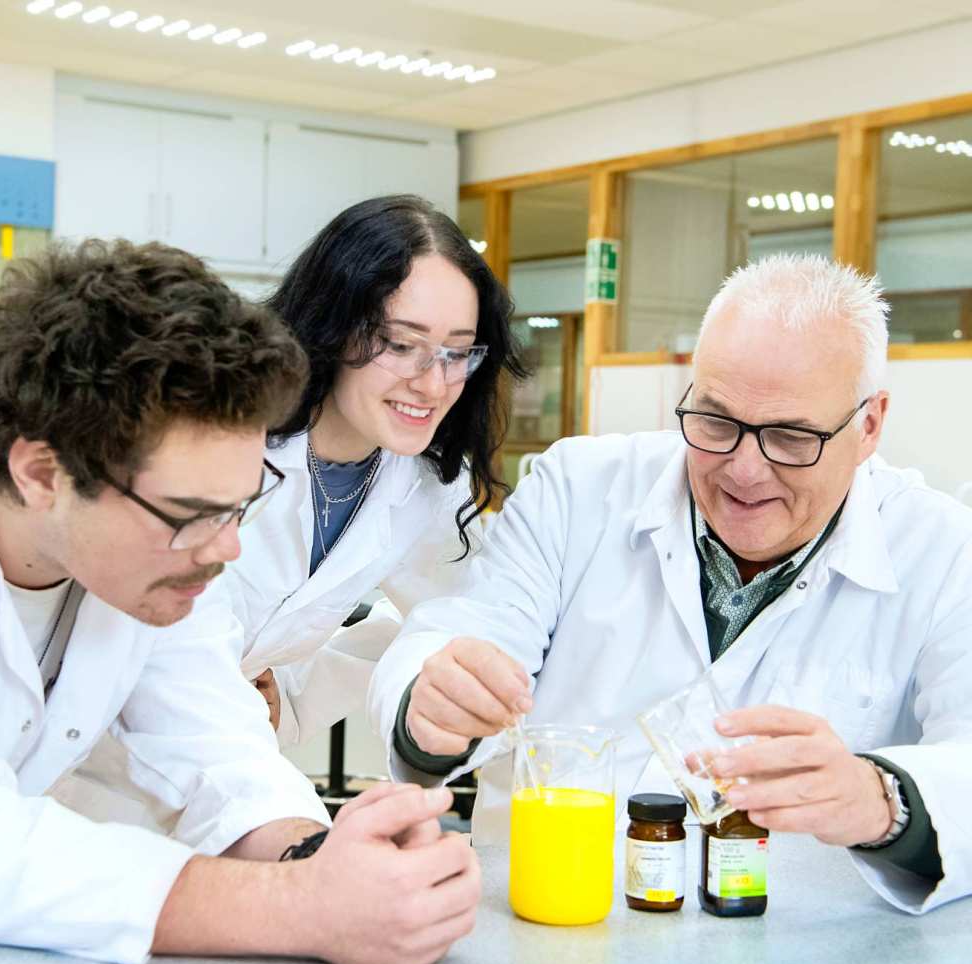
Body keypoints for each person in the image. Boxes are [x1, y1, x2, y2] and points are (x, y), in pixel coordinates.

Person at [0, 239, 479, 964]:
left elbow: (211, 733)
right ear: (40, 472)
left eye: (239, 507)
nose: (227, 550)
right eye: (193, 515)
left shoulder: (146, 555)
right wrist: (302, 906)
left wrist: (323, 856)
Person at [368, 253, 972, 915]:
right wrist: (431, 707)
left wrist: (883, 800)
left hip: (800, 961)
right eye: (715, 421)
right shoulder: (579, 490)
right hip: (548, 931)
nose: (744, 469)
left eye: (790, 437)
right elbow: (463, 636)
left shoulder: (941, 551)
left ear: (869, 425)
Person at [225, 194, 526, 744]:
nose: (433, 384)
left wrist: (282, 703)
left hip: (223, 755)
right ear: (333, 326)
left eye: (456, 352)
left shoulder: (426, 483)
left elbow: (461, 623)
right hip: (88, 744)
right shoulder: (225, 437)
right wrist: (228, 698)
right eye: (401, 344)